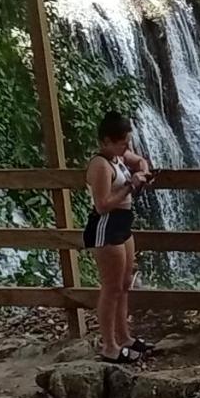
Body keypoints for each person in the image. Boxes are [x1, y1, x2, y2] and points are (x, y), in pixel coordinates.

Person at [84, 111, 154, 364]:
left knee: (125, 284)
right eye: (122, 142)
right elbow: (102, 205)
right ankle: (109, 345)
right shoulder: (100, 165)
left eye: (127, 142)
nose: (127, 147)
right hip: (106, 225)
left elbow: (140, 160)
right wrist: (130, 185)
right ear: (106, 141)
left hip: (124, 223)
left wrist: (143, 171)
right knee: (111, 288)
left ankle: (124, 337)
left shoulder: (118, 156)